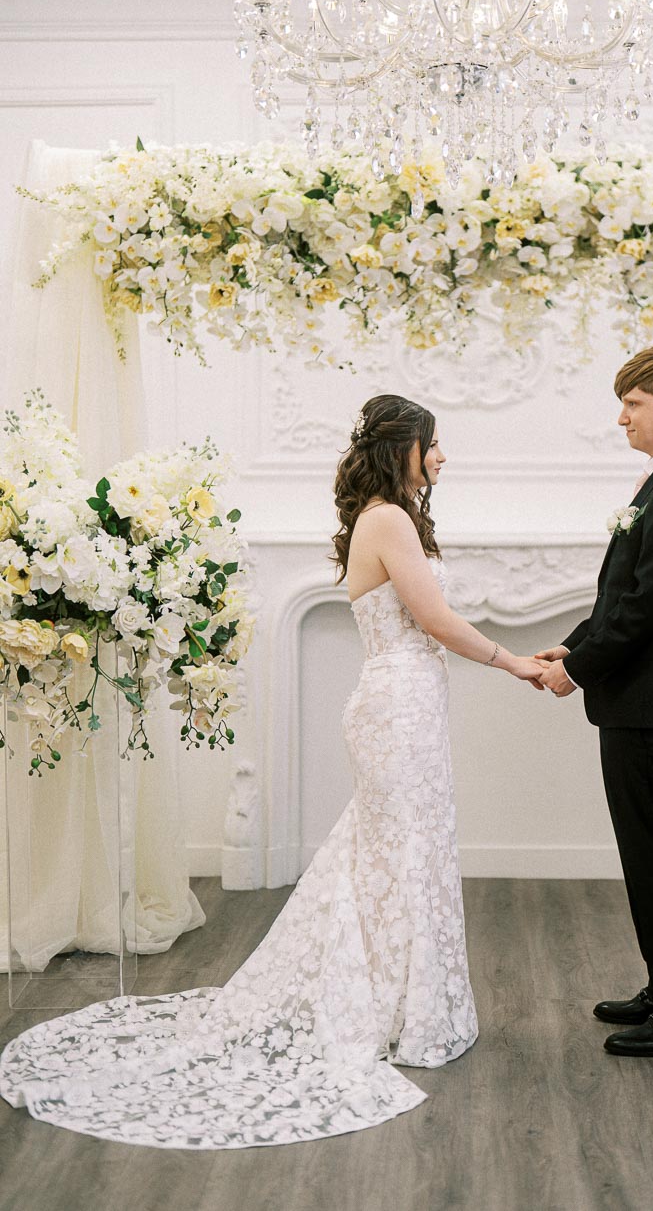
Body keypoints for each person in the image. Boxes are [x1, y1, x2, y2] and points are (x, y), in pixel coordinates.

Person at [0, 392, 544, 1148]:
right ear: (402, 449)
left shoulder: (387, 518)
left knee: (395, 852)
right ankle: (393, 1009)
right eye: (435, 444)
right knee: (400, 852)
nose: (444, 456)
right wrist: (514, 661)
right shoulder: (386, 517)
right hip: (398, 703)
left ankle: (393, 1003)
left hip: (404, 702)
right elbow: (436, 621)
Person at [535, 346, 653, 1058]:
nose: (622, 417)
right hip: (646, 692)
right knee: (648, 850)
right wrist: (575, 644)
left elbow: (646, 608)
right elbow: (630, 594)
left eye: (633, 403)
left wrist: (578, 670)